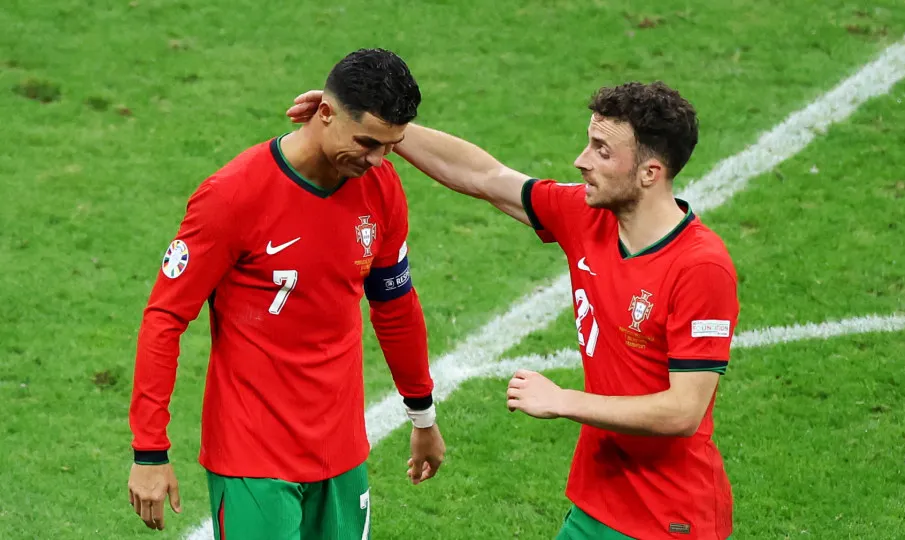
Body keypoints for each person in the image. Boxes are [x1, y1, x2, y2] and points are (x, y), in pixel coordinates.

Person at [287, 79, 739, 540]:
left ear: (650, 173)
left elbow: (683, 411)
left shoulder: (700, 267)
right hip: (601, 502)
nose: (581, 160)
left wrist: (563, 401)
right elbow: (487, 177)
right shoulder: (588, 216)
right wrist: (381, 128)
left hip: (671, 517)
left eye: (602, 151)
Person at [127, 48, 446, 540]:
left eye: (391, 146)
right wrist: (150, 451)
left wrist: (422, 414)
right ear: (325, 113)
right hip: (252, 454)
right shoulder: (233, 195)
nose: (378, 160)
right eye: (367, 143)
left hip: (341, 450)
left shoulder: (381, 189)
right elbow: (164, 318)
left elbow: (395, 306)